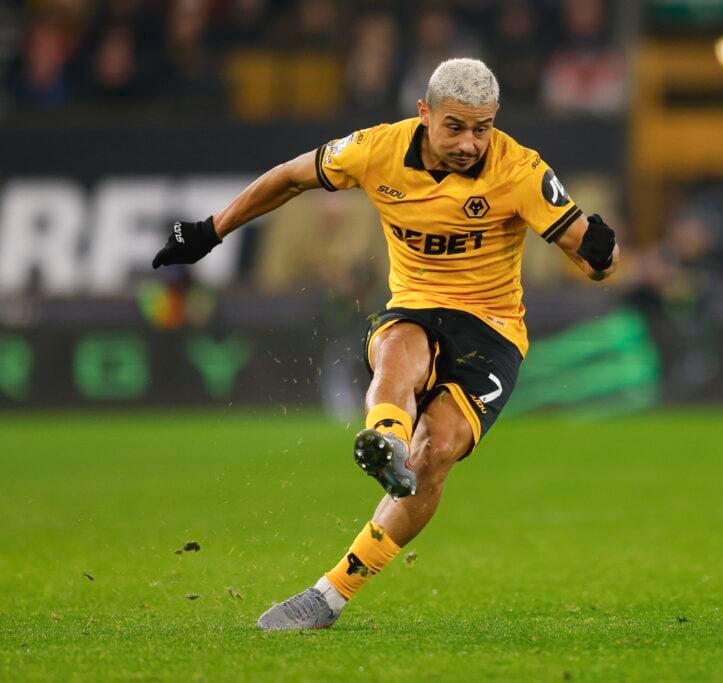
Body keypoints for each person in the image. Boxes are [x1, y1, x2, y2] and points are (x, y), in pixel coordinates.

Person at [151, 58, 620, 630]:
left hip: (493, 328)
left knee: (437, 453)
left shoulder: (521, 171)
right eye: (456, 127)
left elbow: (593, 259)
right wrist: (209, 231)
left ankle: (331, 593)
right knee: (400, 350)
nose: (471, 143)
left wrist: (602, 254)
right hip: (416, 305)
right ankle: (385, 442)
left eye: (483, 128)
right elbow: (291, 176)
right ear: (424, 114)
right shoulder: (375, 150)